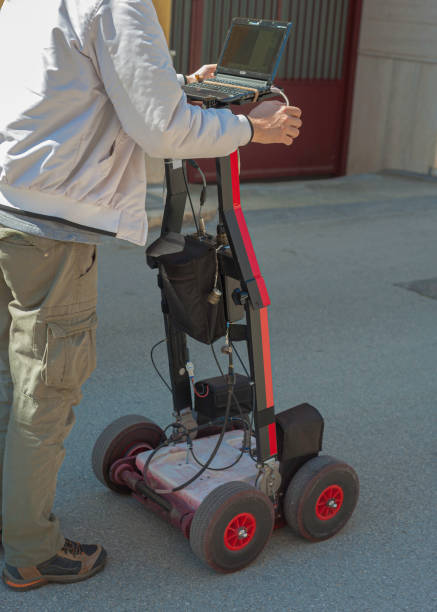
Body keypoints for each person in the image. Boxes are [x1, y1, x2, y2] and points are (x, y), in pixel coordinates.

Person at [0, 0, 302, 591]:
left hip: (9, 205)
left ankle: (14, 513)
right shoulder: (119, 4)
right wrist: (251, 128)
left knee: (14, 381)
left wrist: (180, 85)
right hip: (51, 224)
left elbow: (72, 81)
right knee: (47, 391)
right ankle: (31, 550)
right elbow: (160, 128)